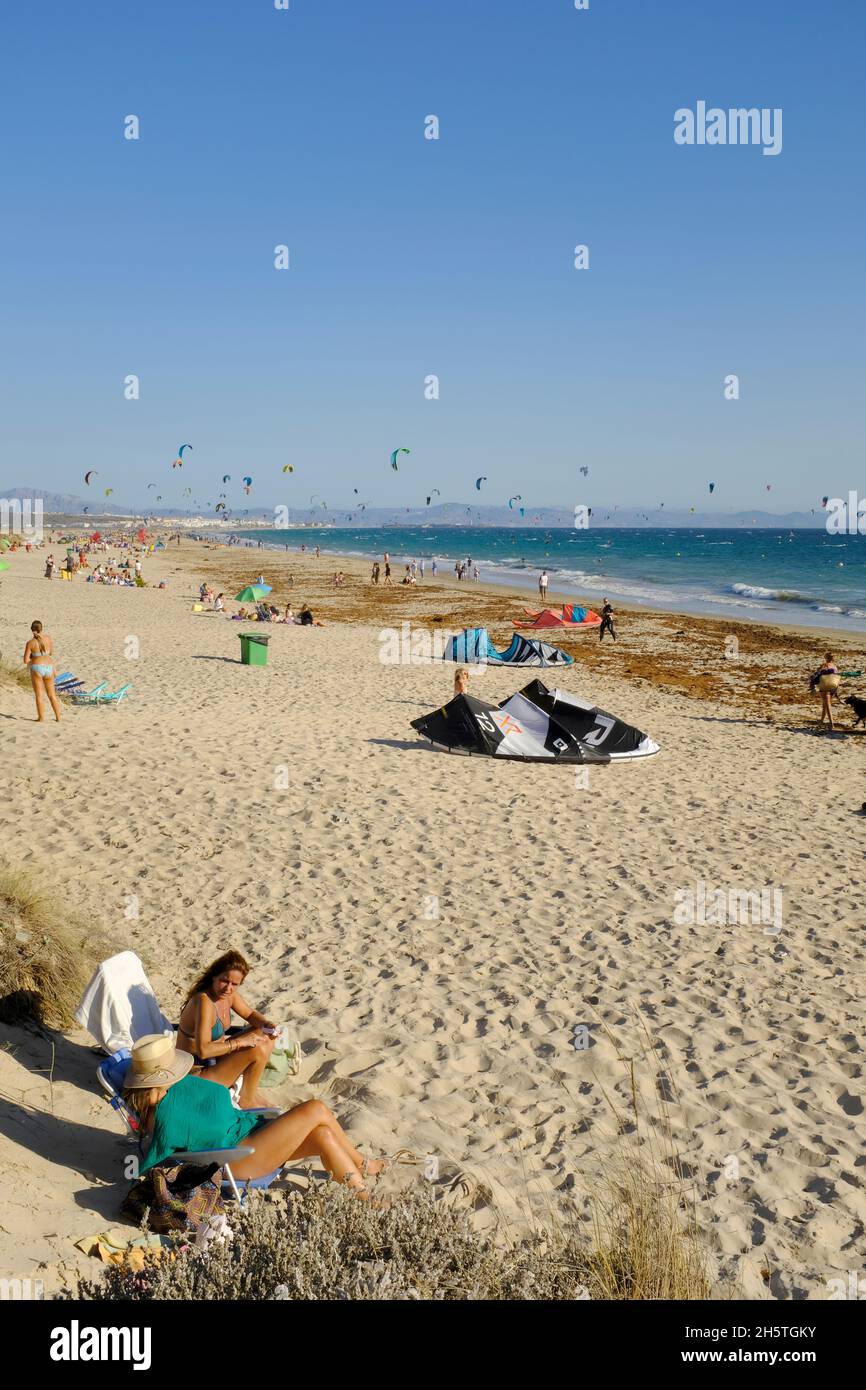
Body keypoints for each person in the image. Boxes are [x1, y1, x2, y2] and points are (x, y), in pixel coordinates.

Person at [122, 1034, 388, 1195]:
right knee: (314, 1108)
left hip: (249, 1133)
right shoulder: (165, 1115)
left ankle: (363, 1196)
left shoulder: (176, 1090)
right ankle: (365, 1165)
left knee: (323, 1135)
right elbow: (155, 1160)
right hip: (238, 1156)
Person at [176, 951, 276, 1108]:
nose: (228, 988)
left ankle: (249, 1092)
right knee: (254, 1048)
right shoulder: (204, 1002)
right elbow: (203, 1050)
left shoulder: (228, 995)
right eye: (224, 981)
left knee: (265, 1035)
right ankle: (247, 1100)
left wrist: (267, 1024)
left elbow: (249, 1014)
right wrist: (239, 1042)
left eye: (234, 984)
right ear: (214, 976)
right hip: (195, 1074)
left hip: (215, 1061)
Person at [23, 620, 61, 722]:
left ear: (32, 630)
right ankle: (58, 717)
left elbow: (25, 660)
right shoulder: (48, 639)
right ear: (41, 628)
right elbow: (50, 653)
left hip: (37, 668)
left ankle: (41, 718)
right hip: (49, 667)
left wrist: (33, 657)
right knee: (52, 695)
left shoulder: (30, 643)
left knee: (39, 695)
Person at [810, 651, 840, 731]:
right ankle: (821, 722)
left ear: (825, 658)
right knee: (825, 705)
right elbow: (837, 678)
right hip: (833, 687)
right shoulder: (835, 666)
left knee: (827, 705)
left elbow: (817, 674)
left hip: (825, 686)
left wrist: (812, 685)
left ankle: (831, 724)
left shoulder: (824, 665)